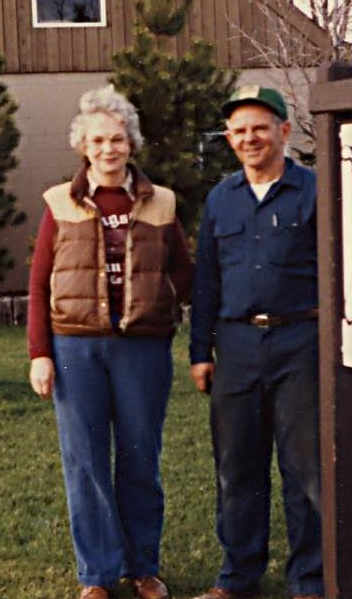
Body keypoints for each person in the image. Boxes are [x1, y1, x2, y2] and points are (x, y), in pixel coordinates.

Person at [27, 85, 193, 599]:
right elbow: (37, 282)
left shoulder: (160, 202)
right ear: (83, 145)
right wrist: (39, 353)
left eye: (117, 139)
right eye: (97, 140)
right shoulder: (60, 201)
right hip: (76, 348)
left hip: (142, 349)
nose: (108, 149)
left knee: (142, 458)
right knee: (85, 461)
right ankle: (96, 574)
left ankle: (143, 567)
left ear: (131, 143)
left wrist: (189, 322)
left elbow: (185, 275)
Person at [189, 86, 323, 599]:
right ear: (229, 138)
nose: (250, 138)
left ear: (284, 132)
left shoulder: (314, 190)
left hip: (300, 342)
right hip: (237, 348)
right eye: (239, 130)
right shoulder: (221, 199)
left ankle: (309, 581)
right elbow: (207, 283)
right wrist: (202, 352)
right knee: (237, 467)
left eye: (260, 128)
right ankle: (237, 578)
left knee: (304, 470)